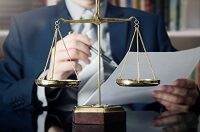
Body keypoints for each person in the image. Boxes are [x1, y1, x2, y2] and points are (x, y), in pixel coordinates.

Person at [0, 0, 199, 112]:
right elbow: (4, 95)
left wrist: (188, 97)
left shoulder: (147, 23)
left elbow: (182, 88)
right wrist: (47, 81)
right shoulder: (25, 26)